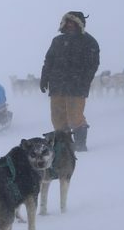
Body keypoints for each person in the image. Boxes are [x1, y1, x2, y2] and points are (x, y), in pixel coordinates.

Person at [40, 11, 100, 151]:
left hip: (77, 86)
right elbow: (49, 60)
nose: (70, 25)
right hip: (57, 85)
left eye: (73, 23)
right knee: (58, 119)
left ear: (80, 24)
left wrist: (85, 81)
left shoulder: (89, 42)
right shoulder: (57, 41)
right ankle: (65, 146)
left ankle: (80, 145)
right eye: (67, 22)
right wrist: (44, 78)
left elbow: (93, 65)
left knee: (75, 117)